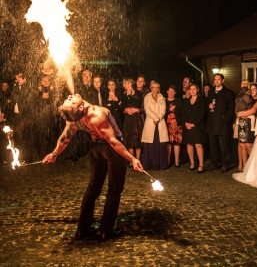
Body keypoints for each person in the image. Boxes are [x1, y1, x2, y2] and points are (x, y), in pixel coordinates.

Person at [42, 94, 143, 241]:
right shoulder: (96, 115)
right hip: (111, 149)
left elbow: (65, 138)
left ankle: (82, 230)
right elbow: (113, 142)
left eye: (69, 99)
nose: (70, 96)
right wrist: (133, 159)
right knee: (115, 189)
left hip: (96, 149)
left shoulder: (74, 117)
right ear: (80, 107)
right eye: (70, 100)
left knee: (93, 187)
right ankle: (106, 231)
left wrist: (55, 154)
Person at [206, 73, 235, 173]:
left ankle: (225, 164)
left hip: (223, 123)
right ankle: (214, 163)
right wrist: (208, 106)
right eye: (215, 80)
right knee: (213, 145)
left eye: (218, 80)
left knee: (224, 146)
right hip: (212, 122)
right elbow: (207, 103)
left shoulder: (228, 92)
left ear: (222, 81)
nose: (216, 81)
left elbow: (232, 107)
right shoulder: (211, 91)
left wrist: (226, 117)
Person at [141, 82, 169, 170]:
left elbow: (163, 109)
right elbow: (147, 109)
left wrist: (158, 118)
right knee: (151, 143)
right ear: (151, 88)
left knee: (160, 143)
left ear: (159, 88)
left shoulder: (162, 97)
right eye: (153, 87)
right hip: (151, 121)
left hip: (160, 122)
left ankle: (161, 164)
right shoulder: (147, 97)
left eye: (157, 87)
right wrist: (155, 118)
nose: (155, 89)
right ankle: (150, 164)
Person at [235, 84, 257, 169]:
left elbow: (253, 110)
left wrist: (240, 114)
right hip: (243, 124)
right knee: (242, 145)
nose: (252, 91)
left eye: (254, 89)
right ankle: (245, 166)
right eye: (251, 89)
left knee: (249, 147)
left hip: (252, 125)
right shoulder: (247, 98)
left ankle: (253, 167)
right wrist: (239, 115)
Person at [182, 84, 207, 173]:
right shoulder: (186, 101)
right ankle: (192, 162)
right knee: (189, 144)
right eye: (190, 89)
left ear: (198, 90)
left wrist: (194, 124)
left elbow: (202, 113)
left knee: (198, 144)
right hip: (188, 126)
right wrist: (186, 123)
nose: (192, 91)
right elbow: (183, 113)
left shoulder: (201, 100)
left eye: (194, 89)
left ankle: (201, 164)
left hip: (197, 126)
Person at [233, 80, 254, 172]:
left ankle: (248, 164)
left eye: (246, 84)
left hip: (247, 121)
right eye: (242, 84)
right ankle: (240, 163)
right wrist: (235, 121)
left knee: (247, 144)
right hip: (239, 120)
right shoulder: (239, 96)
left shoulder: (249, 96)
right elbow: (236, 109)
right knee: (240, 143)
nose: (244, 85)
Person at [121, 78, 143, 160]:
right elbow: (122, 105)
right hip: (128, 118)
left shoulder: (138, 93)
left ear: (130, 83)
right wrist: (128, 96)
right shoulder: (124, 94)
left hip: (136, 118)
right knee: (129, 138)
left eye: (125, 83)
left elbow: (139, 103)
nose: (124, 85)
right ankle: (132, 159)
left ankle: (138, 158)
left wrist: (134, 109)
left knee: (136, 138)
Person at [165, 85, 182, 167]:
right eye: (170, 91)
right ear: (167, 91)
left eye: (173, 91)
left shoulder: (178, 101)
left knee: (176, 143)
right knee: (168, 143)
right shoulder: (164, 101)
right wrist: (169, 110)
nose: (171, 93)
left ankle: (176, 162)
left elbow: (182, 112)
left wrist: (175, 110)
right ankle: (168, 161)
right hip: (167, 124)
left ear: (175, 93)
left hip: (176, 124)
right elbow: (162, 113)